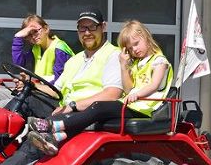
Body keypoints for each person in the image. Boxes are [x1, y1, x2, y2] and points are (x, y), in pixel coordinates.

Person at [0, 10, 123, 165]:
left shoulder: (114, 55)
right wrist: (31, 85)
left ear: (103, 27)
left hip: (89, 113)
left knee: (41, 135)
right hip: (65, 107)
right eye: (82, 28)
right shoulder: (75, 60)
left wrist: (73, 106)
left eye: (92, 27)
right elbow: (56, 90)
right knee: (25, 101)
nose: (87, 33)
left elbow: (112, 94)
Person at [26, 20, 172, 155]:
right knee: (92, 120)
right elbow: (128, 89)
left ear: (146, 37)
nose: (134, 49)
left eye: (137, 43)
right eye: (130, 48)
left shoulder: (159, 61)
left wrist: (138, 95)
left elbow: (154, 85)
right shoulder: (136, 64)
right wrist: (123, 65)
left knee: (98, 107)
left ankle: (51, 125)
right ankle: (56, 139)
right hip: (132, 104)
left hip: (146, 108)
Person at [0, 14, 74, 107]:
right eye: (29, 34)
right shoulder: (36, 48)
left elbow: (58, 85)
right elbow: (19, 63)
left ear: (46, 29)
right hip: (38, 91)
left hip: (55, 97)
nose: (33, 36)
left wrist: (32, 84)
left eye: (35, 31)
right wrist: (18, 37)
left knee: (4, 104)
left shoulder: (60, 50)